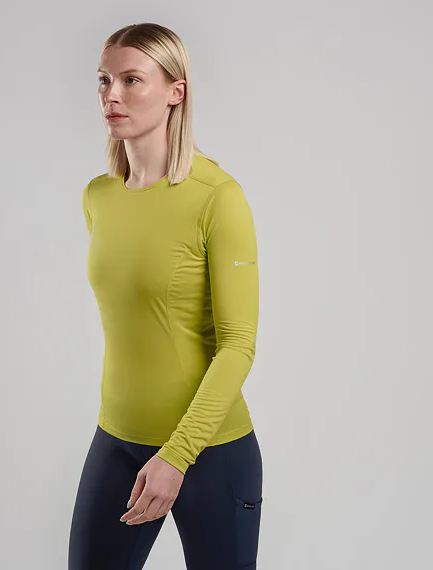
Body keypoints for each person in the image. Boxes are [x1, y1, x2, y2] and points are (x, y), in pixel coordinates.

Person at [68, 22, 263, 570]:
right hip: (116, 440)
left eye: (132, 80)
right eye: (104, 80)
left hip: (210, 451)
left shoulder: (217, 197)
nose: (112, 94)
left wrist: (177, 455)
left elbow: (238, 345)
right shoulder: (98, 197)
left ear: (176, 90)